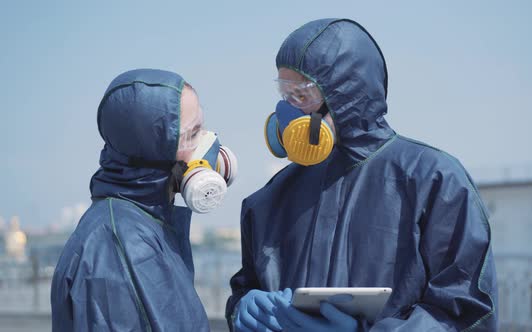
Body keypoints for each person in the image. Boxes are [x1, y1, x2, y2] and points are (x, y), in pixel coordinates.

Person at [226, 19, 497, 331]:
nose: (288, 110)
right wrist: (240, 309)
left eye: (302, 95)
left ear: (346, 93)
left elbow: (464, 311)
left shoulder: (433, 180)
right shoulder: (271, 198)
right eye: (285, 93)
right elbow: (247, 287)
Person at [51, 68, 238, 331]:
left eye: (202, 128)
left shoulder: (140, 224)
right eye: (193, 134)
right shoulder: (119, 245)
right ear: (153, 149)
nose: (207, 144)